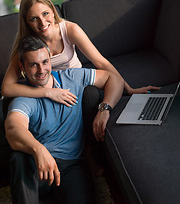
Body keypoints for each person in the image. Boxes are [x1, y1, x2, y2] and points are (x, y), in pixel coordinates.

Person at [5, 36, 125, 204]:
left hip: (71, 165)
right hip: (38, 167)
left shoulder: (72, 78)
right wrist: (39, 150)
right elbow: (13, 128)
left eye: (45, 62)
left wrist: (105, 109)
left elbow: (114, 79)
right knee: (19, 158)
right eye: (33, 65)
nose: (41, 70)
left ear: (50, 60)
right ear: (22, 67)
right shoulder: (24, 98)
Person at [1, 0, 159, 105]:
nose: (42, 23)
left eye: (45, 14)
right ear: (26, 22)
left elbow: (100, 62)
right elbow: (7, 88)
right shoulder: (27, 44)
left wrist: (129, 88)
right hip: (46, 87)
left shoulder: (70, 29)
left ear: (53, 10)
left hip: (75, 81)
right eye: (34, 19)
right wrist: (47, 92)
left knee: (90, 95)